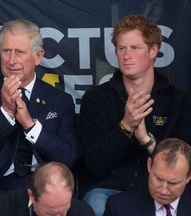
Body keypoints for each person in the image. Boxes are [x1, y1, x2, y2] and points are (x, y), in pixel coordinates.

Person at [0, 19, 77, 215]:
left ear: (38, 56)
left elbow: (67, 157)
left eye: (20, 52)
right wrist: (6, 112)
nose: (12, 60)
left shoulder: (60, 100)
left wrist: (29, 125)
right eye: (6, 51)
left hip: (45, 185)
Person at [78, 14, 191, 216]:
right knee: (95, 204)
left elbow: (185, 164)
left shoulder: (179, 101)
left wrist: (147, 141)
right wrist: (125, 126)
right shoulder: (96, 98)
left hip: (162, 190)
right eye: (121, 48)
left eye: (135, 48)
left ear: (153, 50)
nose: (126, 55)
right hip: (108, 190)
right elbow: (94, 166)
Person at [104, 138, 191, 216]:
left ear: (188, 177)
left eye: (173, 183)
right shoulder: (119, 207)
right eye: (158, 179)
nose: (163, 191)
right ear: (149, 165)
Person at [0, 161, 95, 216]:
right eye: (50, 214)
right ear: (31, 196)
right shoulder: (2, 209)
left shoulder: (83, 212)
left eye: (63, 211)